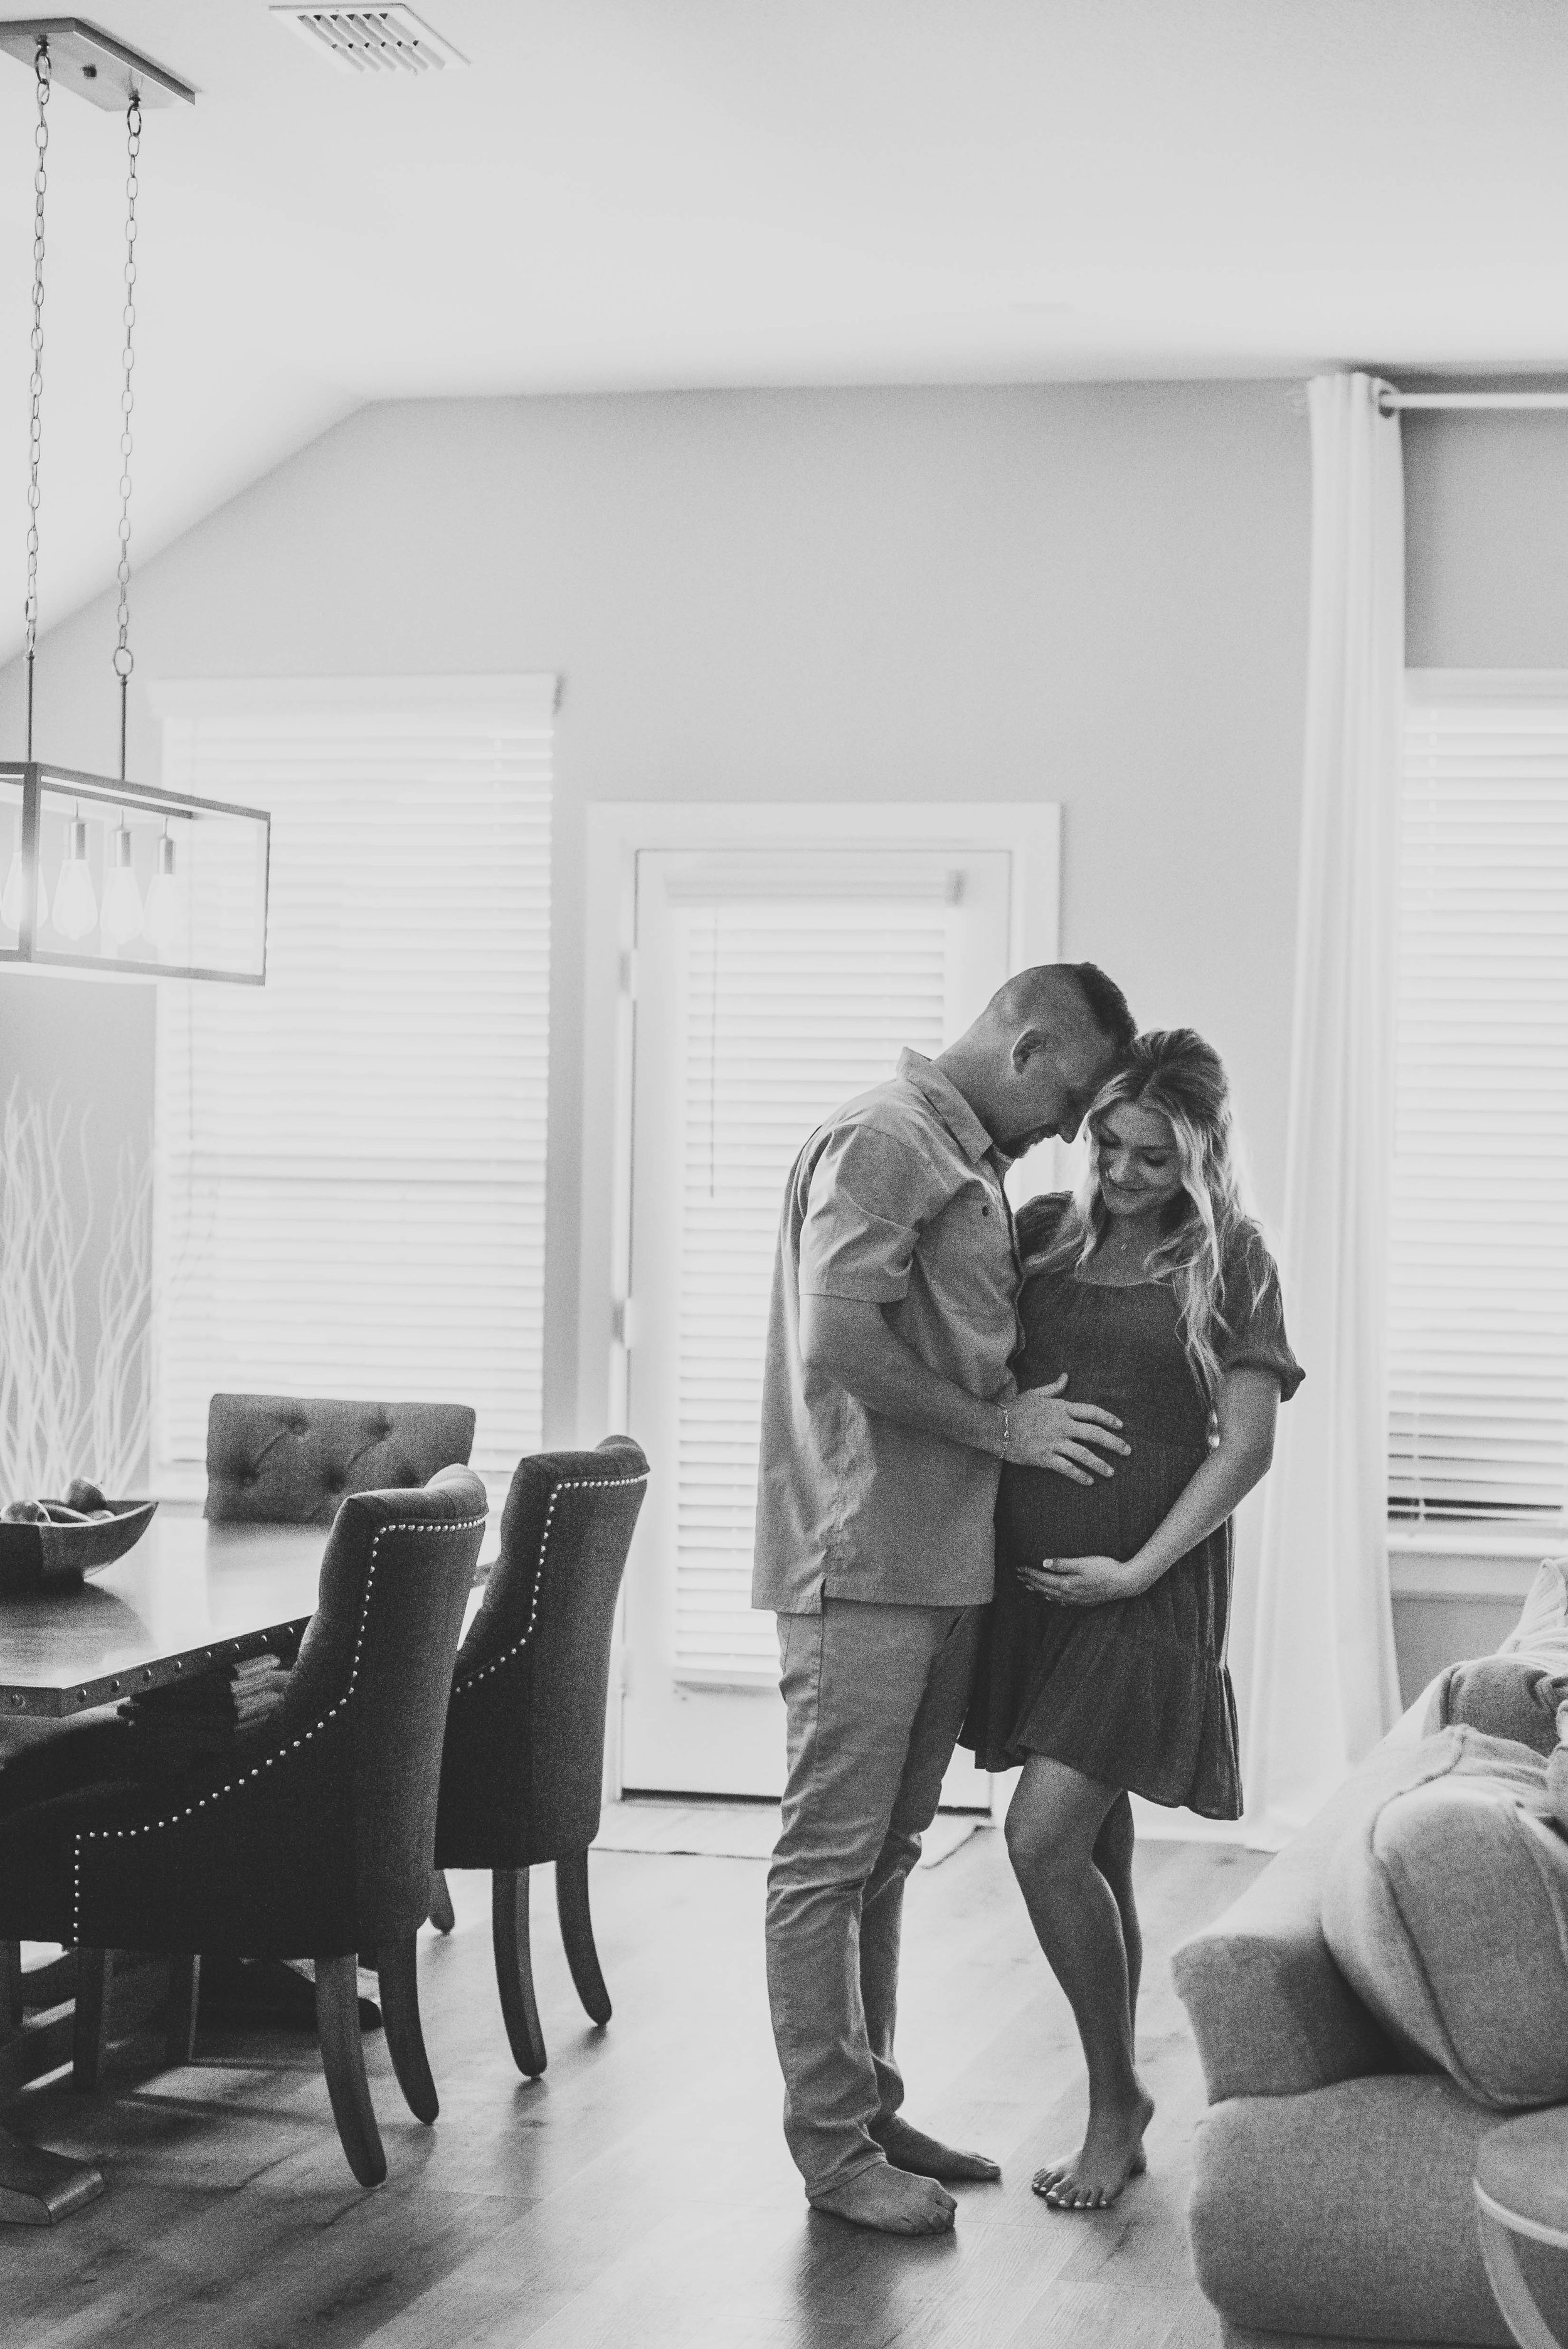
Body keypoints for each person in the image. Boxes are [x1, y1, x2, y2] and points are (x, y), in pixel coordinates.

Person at [755, 962, 1138, 2236]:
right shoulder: (884, 1138)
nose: (1071, 1132)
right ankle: (828, 2151)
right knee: (827, 1859)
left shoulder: (963, 1158)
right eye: (1073, 1098)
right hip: (860, 1561)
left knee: (888, 1853)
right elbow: (838, 1344)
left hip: (938, 1558)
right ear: (1028, 1046)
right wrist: (1006, 1430)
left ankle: (868, 2110)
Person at [963, 1029, 1303, 2213]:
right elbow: (973, 1360)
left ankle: (1116, 2101)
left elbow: (1248, 1446)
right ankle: (1118, 2095)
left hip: (1148, 1592)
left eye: (1151, 1157)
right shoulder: (1043, 1232)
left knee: (1042, 1839)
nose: (1118, 1170)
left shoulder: (1230, 1257)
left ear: (1200, 1156)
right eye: (1108, 1143)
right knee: (1095, 1847)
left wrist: (1141, 1567)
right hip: (1035, 1586)